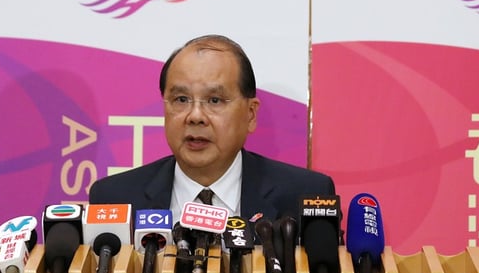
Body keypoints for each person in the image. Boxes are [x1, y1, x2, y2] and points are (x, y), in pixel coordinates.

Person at [88, 34, 335, 221]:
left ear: (250, 114)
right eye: (181, 99)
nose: (195, 116)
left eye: (215, 100)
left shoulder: (305, 196)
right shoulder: (115, 199)